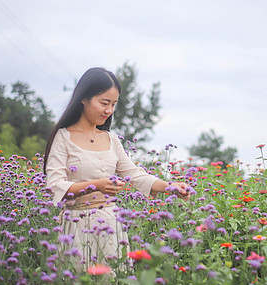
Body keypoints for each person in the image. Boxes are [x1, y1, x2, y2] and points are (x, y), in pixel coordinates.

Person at [43, 67, 189, 271]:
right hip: (76, 226)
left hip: (111, 225)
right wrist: (96, 185)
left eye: (113, 104)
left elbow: (134, 174)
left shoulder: (111, 139)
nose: (109, 110)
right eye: (104, 103)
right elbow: (55, 185)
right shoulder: (63, 137)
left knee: (113, 280)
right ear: (84, 98)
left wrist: (170, 186)